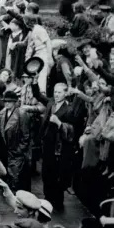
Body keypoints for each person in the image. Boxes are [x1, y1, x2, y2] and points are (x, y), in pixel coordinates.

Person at [32, 81, 76, 209]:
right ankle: (47, 198)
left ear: (66, 93)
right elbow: (38, 95)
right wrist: (35, 82)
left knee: (57, 174)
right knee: (46, 173)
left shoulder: (69, 109)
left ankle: (57, 202)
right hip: (47, 145)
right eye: (55, 92)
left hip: (60, 148)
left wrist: (59, 123)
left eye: (59, 92)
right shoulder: (51, 103)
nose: (56, 94)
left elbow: (72, 131)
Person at [0, 91, 31, 192]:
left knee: (16, 178)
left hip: (16, 152)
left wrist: (19, 150)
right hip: (4, 151)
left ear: (15, 102)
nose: (6, 103)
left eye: (9, 102)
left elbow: (26, 136)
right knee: (6, 176)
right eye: (5, 101)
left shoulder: (22, 114)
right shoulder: (2, 113)